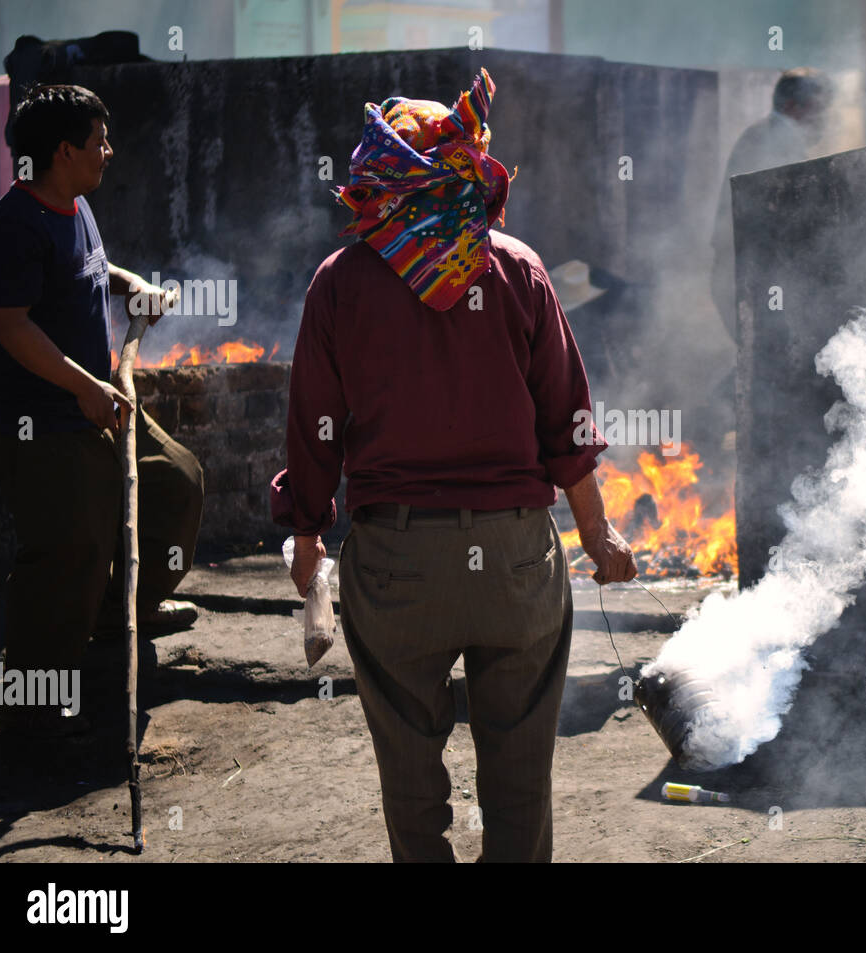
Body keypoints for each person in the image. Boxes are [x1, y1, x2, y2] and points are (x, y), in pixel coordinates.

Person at [271, 69, 637, 863]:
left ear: (383, 170)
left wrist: (307, 535)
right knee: (519, 784)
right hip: (513, 563)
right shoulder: (520, 269)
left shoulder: (341, 283)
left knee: (410, 783)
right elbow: (568, 425)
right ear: (465, 164)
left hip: (396, 564)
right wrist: (599, 540)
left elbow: (314, 430)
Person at [0, 84, 204, 739]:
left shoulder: (73, 205)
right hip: (42, 425)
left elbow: (89, 271)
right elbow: (11, 327)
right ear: (63, 150)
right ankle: (30, 718)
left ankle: (118, 615)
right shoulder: (11, 227)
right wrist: (83, 387)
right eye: (99, 140)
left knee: (174, 483)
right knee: (69, 551)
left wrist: (130, 284)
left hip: (96, 400)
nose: (110, 150)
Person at [710, 67, 836, 344]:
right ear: (791, 106)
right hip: (744, 276)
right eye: (816, 110)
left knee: (760, 362)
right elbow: (788, 215)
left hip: (739, 273)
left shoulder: (768, 134)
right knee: (765, 363)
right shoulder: (776, 139)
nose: (822, 120)